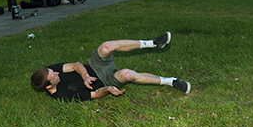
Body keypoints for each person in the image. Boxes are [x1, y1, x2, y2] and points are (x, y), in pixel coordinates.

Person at [31, 32, 191, 101]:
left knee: (106, 46)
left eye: (54, 71)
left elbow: (75, 65)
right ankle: (171, 81)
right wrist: (107, 90)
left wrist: (85, 76)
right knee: (128, 75)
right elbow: (93, 95)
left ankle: (153, 43)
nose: (57, 72)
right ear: (48, 86)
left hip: (93, 65)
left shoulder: (49, 71)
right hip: (105, 80)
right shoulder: (63, 95)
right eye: (55, 76)